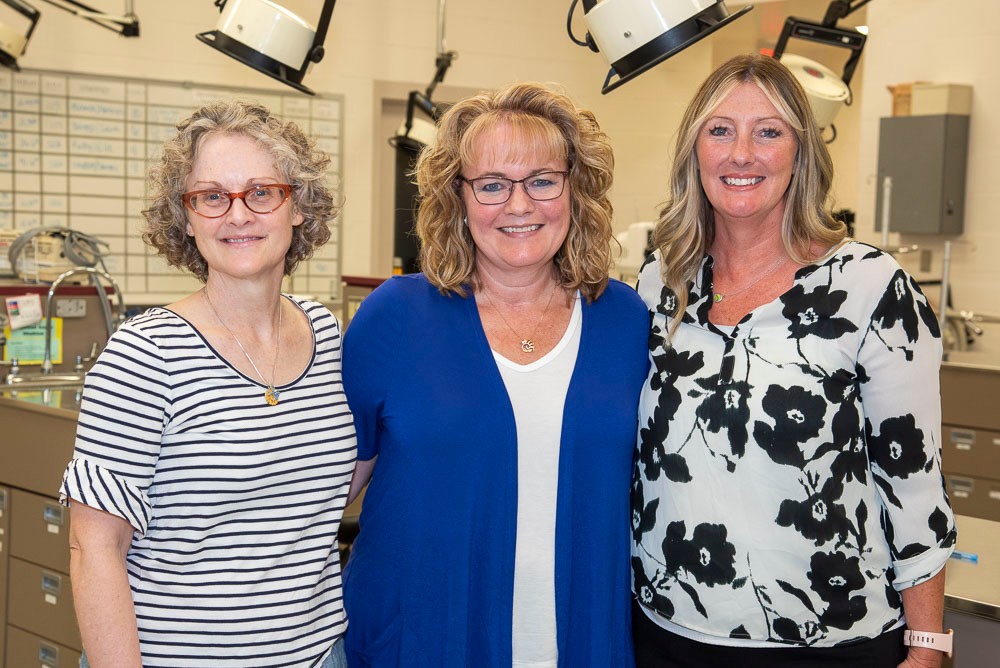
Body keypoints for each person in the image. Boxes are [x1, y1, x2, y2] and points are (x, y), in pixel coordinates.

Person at [631, 54, 957, 668]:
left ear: (801, 153)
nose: (741, 154)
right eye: (720, 130)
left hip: (828, 639)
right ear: (694, 151)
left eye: (768, 132)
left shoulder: (869, 288)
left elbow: (914, 485)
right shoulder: (660, 284)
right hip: (667, 633)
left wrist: (927, 645)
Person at [341, 81, 648, 667]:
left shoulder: (624, 321)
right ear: (456, 197)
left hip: (581, 643)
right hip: (423, 643)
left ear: (575, 189)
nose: (519, 205)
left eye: (542, 180)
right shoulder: (396, 318)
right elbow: (328, 493)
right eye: (491, 184)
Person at [59, 100, 355, 668]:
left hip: (321, 654)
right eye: (212, 197)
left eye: (261, 192)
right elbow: (93, 547)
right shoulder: (145, 355)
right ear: (186, 217)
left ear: (298, 206)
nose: (237, 215)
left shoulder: (325, 333)